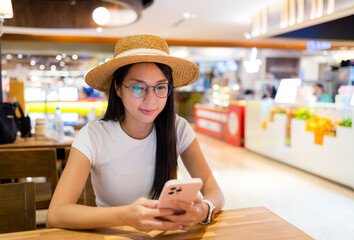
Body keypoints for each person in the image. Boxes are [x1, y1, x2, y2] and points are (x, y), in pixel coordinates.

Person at [46, 34, 225, 232]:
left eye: (160, 87)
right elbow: (56, 214)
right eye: (138, 87)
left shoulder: (178, 128)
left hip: (164, 235)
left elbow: (215, 192)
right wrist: (125, 215)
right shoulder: (93, 136)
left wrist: (203, 210)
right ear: (118, 88)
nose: (151, 100)